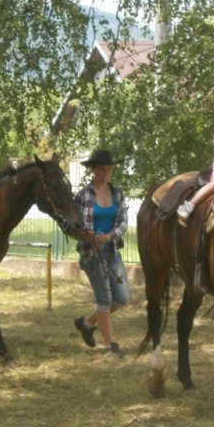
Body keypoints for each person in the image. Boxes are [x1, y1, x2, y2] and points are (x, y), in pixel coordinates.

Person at [73, 149, 131, 357]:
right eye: (101, 169)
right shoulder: (83, 195)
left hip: (112, 251)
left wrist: (110, 236)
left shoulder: (118, 194)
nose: (106, 173)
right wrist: (85, 235)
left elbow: (124, 221)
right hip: (91, 255)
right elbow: (72, 227)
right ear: (93, 170)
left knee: (123, 298)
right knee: (104, 299)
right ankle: (110, 346)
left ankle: (87, 323)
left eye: (109, 169)